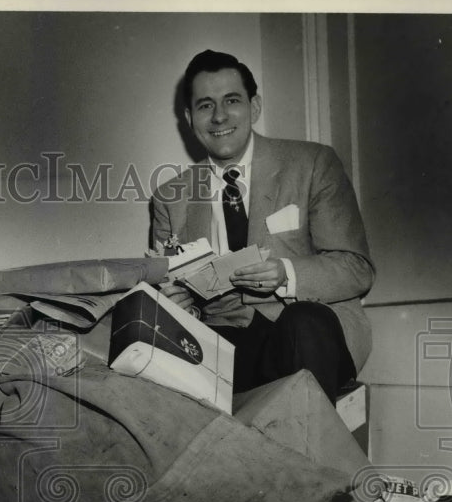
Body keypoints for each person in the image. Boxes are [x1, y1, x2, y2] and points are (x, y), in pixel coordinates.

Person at [150, 49, 375, 402]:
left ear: (254, 107)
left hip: (307, 331)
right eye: (206, 105)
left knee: (303, 324)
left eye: (232, 100)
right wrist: (177, 302)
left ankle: (309, 455)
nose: (220, 116)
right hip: (224, 342)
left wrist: (286, 273)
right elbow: (178, 305)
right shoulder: (170, 196)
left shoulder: (313, 163)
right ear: (190, 118)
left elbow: (357, 269)